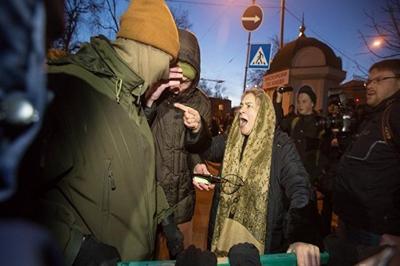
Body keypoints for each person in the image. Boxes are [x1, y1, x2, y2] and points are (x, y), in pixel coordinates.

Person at [18, 0, 182, 263]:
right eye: (167, 62)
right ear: (149, 51)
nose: (167, 73)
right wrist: (73, 246)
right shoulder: (70, 91)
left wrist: (165, 214)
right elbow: (16, 197)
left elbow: (137, 175)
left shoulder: (131, 100)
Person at [193, 89, 321, 266]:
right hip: (224, 233)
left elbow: (301, 189)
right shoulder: (232, 137)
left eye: (249, 106)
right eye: (242, 104)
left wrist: (300, 237)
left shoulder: (280, 145)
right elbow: (208, 149)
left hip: (259, 245)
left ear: (263, 113)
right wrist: (198, 128)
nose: (241, 110)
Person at [144, 29, 211, 250]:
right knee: (147, 253)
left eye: (187, 80)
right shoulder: (153, 92)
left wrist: (198, 128)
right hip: (150, 196)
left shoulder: (201, 102)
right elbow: (137, 129)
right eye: (178, 78)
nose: (180, 85)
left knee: (181, 254)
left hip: (183, 199)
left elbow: (198, 147)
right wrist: (151, 102)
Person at [333, 59, 400, 247]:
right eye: (369, 81)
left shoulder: (395, 114)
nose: (370, 85)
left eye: (379, 80)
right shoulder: (373, 117)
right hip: (352, 222)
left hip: (377, 232)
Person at [275, 86, 325, 186]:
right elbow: (278, 122)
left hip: (308, 179)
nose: (300, 105)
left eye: (304, 101)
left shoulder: (320, 124)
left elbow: (323, 154)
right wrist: (279, 98)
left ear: (312, 104)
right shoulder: (294, 121)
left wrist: (316, 177)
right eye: (298, 101)